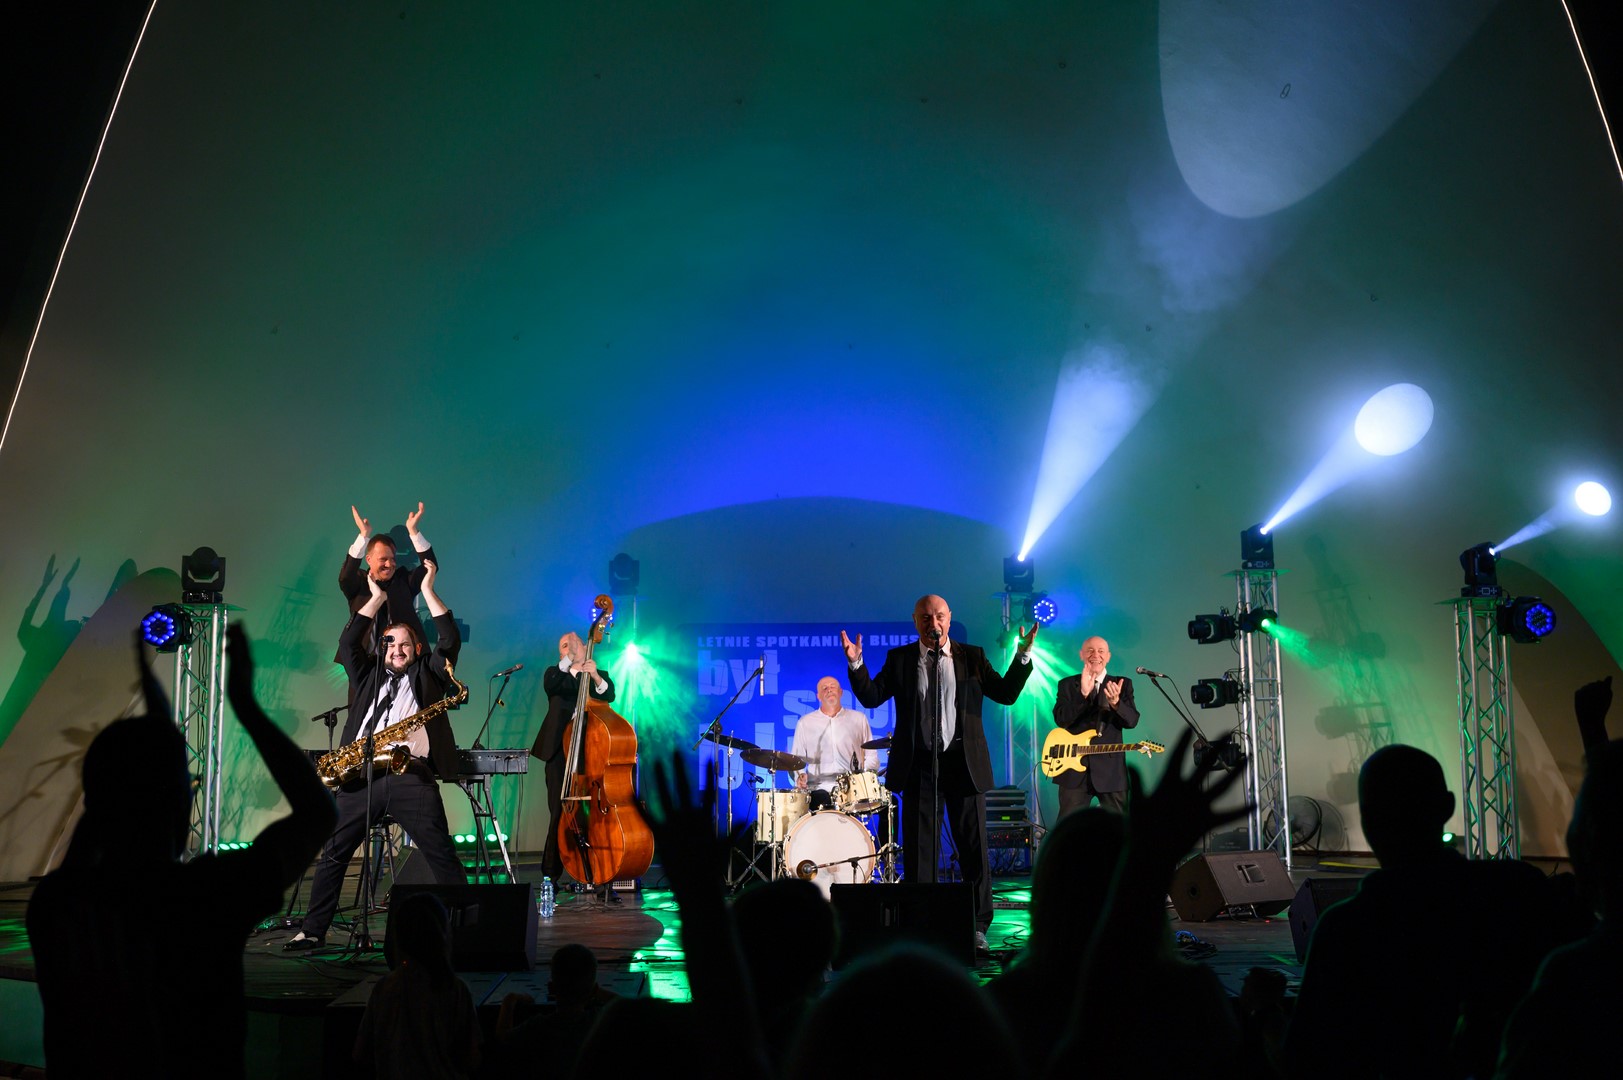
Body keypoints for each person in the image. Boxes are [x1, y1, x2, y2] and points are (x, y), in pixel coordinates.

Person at [27, 627, 336, 1079]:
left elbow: (105, 813)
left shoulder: (55, 904)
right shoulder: (207, 894)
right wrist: (245, 706)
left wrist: (149, 738)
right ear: (176, 802)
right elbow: (318, 812)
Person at [1285, 744, 1564, 1079]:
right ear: (1447, 807)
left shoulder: (1347, 929)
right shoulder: (1518, 889)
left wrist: (1263, 1011)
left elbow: (1307, 1061)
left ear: (1367, 819)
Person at [286, 560, 466, 949]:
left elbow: (449, 639)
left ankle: (467, 927)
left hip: (409, 776)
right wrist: (375, 599)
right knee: (333, 852)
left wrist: (428, 589)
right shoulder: (367, 675)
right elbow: (348, 644)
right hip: (360, 775)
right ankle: (312, 930)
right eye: (390, 644)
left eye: (404, 644)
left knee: (441, 853)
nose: (397, 650)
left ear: (416, 649)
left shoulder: (429, 673)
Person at [841, 594, 1035, 953]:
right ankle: (920, 926)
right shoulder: (901, 659)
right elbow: (871, 696)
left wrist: (1022, 657)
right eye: (927, 617)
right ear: (916, 621)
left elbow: (1006, 693)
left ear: (949, 618)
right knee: (920, 852)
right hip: (919, 765)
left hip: (963, 764)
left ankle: (977, 926)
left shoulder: (971, 656)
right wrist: (856, 663)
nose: (934, 623)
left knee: (973, 849)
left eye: (940, 616)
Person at [353, 891, 480, 1079]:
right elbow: (471, 1058)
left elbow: (360, 1053)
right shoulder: (454, 989)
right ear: (443, 934)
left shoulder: (384, 988)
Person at [528, 630, 617, 896]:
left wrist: (596, 675)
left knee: (593, 817)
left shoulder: (597, 674)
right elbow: (556, 685)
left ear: (585, 646)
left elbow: (609, 694)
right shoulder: (555, 674)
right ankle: (550, 877)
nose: (570, 647)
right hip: (558, 752)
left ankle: (600, 876)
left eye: (574, 643)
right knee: (558, 813)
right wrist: (572, 661)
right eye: (564, 645)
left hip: (589, 753)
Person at [1051, 636, 1140, 816]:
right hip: (1073, 771)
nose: (1095, 655)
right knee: (1070, 827)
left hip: (1111, 772)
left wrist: (1116, 704)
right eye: (1090, 651)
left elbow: (1132, 721)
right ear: (1081, 655)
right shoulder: (1067, 685)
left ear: (1108, 656)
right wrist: (1082, 695)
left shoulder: (1122, 684)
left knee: (1119, 826)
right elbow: (1061, 719)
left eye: (1101, 651)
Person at [339, 502, 437, 648]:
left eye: (392, 559)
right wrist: (363, 536)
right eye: (383, 559)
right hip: (361, 659)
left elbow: (430, 567)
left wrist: (413, 532)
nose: (389, 564)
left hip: (402, 659)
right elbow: (346, 576)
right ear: (369, 560)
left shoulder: (404, 581)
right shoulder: (359, 582)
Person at [791, 675, 879, 808]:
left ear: (841, 692)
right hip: (818, 788)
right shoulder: (805, 722)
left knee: (890, 803)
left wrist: (861, 779)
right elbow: (796, 760)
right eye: (824, 688)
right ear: (818, 696)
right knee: (821, 798)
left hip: (853, 789)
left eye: (833, 687)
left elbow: (872, 756)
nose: (829, 690)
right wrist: (800, 775)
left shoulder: (858, 719)